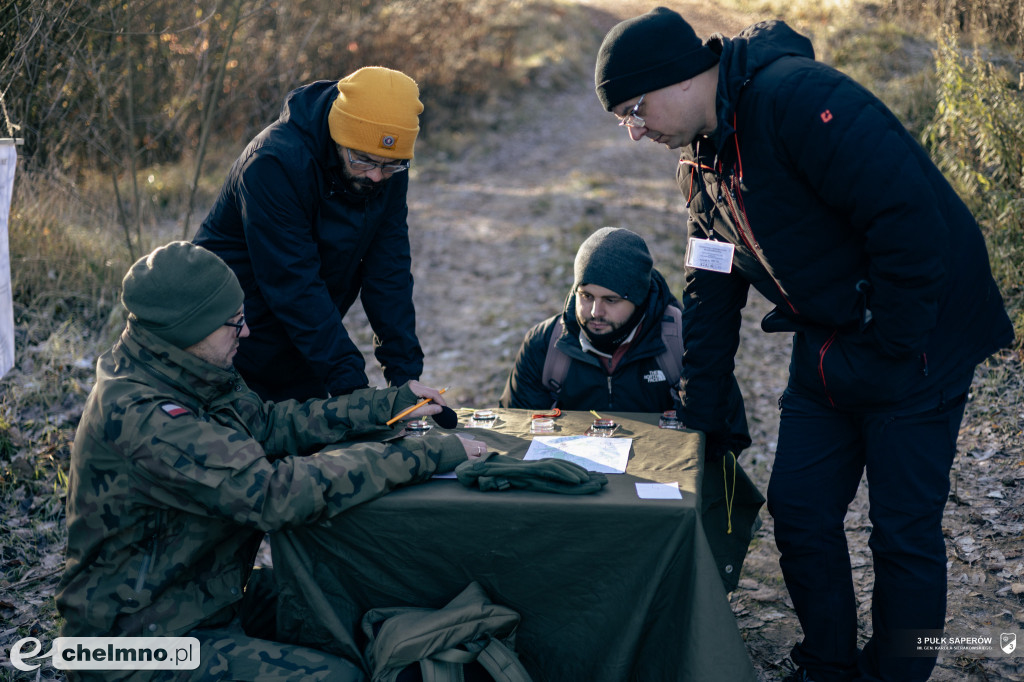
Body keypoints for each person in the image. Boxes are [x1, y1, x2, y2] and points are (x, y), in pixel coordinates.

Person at [595, 8, 1014, 682]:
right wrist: (703, 410)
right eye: (623, 120)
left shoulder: (798, 99)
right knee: (799, 512)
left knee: (901, 532)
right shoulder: (699, 163)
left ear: (677, 77)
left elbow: (908, 219)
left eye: (635, 109)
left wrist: (894, 344)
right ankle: (827, 663)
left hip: (922, 339)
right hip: (828, 344)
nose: (636, 130)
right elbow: (710, 284)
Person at [55, 241, 485, 682]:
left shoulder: (189, 369)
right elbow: (274, 494)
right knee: (336, 678)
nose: (245, 332)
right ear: (189, 329)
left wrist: (385, 406)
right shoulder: (142, 415)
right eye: (233, 323)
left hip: (202, 595)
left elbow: (271, 424)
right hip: (131, 644)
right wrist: (421, 455)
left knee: (346, 597)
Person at [499, 226, 760, 592]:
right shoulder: (546, 344)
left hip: (659, 501)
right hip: (570, 495)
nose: (594, 312)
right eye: (585, 295)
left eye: (611, 300)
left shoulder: (686, 343)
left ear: (638, 298)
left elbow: (728, 437)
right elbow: (514, 437)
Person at [194, 66, 426, 402]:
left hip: (303, 345)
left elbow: (389, 272)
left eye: (390, 165)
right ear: (338, 136)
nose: (376, 176)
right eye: (363, 161)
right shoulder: (272, 163)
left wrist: (405, 378)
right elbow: (293, 282)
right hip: (228, 346)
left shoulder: (388, 166)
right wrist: (352, 388)